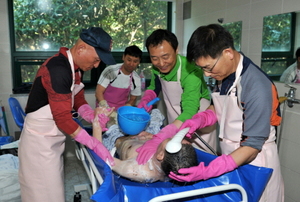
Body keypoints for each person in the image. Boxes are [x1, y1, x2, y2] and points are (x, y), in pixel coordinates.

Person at [169, 24, 284, 202]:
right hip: (232, 159)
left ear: (228, 53)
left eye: (208, 68)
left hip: (256, 164)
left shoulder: (256, 86)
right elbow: (223, 107)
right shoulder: (224, 74)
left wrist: (208, 171)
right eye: (202, 69)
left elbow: (252, 147)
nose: (207, 74)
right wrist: (200, 119)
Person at [18, 27, 116, 202]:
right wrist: (92, 142)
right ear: (81, 49)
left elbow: (77, 98)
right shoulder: (58, 69)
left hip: (52, 139)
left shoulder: (75, 68)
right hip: (38, 143)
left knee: (53, 190)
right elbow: (63, 118)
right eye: (96, 60)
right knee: (43, 195)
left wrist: (91, 115)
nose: (96, 65)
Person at [136, 29, 216, 165]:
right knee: (175, 163)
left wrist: (161, 136)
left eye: (165, 57)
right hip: (175, 120)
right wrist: (146, 98)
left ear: (176, 49)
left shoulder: (191, 70)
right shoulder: (157, 68)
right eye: (154, 58)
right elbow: (155, 87)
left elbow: (190, 110)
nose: (161, 63)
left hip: (199, 124)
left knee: (200, 162)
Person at [92, 107, 198, 183]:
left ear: (160, 155)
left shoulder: (135, 170)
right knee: (156, 113)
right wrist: (152, 137)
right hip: (145, 136)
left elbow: (103, 157)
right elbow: (175, 126)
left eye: (172, 140)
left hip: (117, 138)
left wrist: (96, 123)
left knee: (110, 125)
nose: (174, 138)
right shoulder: (172, 160)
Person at [95, 45, 142, 110]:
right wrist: (105, 108)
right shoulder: (111, 71)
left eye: (135, 61)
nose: (131, 64)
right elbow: (98, 92)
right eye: (129, 60)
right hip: (103, 108)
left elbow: (133, 99)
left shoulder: (136, 79)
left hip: (120, 110)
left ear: (138, 62)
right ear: (123, 57)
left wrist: (126, 108)